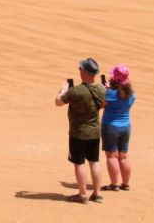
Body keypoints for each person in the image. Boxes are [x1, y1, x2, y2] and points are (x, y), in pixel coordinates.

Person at [55, 57, 107, 203]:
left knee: (79, 163)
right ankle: (97, 194)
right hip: (95, 132)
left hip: (78, 133)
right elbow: (104, 105)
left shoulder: (76, 91)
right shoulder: (101, 90)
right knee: (94, 162)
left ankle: (82, 194)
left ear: (84, 73)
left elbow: (58, 102)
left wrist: (62, 91)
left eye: (80, 69)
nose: (79, 71)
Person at [101, 64, 135, 191]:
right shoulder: (131, 94)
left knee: (111, 156)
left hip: (110, 126)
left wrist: (105, 91)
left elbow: (101, 105)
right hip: (126, 127)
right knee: (124, 156)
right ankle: (125, 184)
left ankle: (114, 184)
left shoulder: (110, 94)